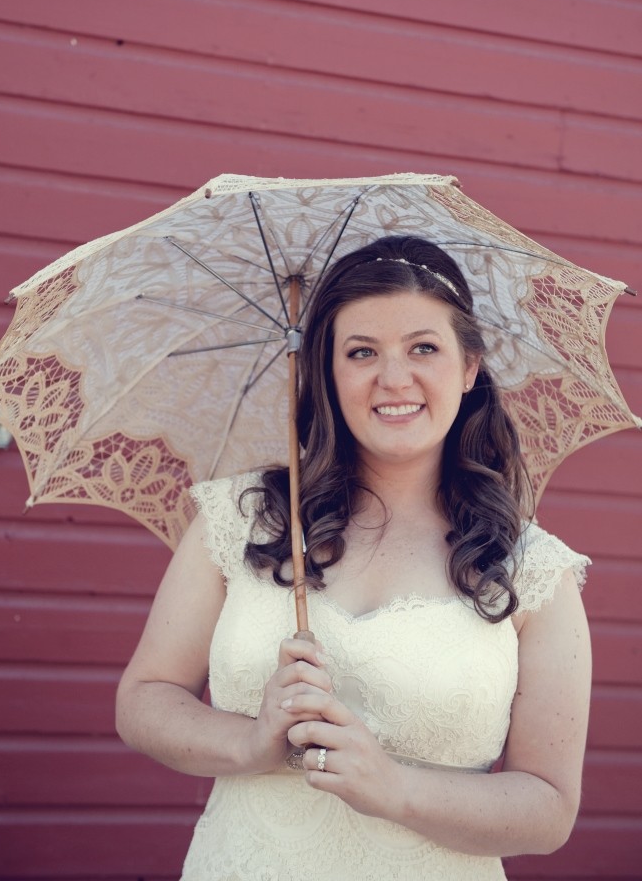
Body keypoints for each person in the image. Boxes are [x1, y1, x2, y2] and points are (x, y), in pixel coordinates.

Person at [116, 234, 592, 881]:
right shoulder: (242, 519)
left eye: (423, 348)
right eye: (361, 352)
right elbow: (145, 699)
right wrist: (251, 741)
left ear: (470, 366)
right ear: (325, 373)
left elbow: (547, 809)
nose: (393, 379)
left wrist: (392, 787)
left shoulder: (529, 569)